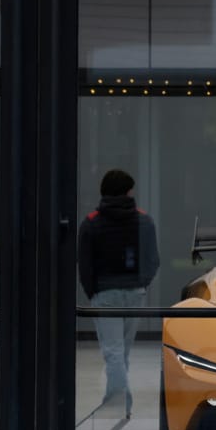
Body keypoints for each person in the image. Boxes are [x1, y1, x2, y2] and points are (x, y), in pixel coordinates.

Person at [78, 168, 159, 417]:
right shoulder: (144, 220)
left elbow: (84, 263)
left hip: (105, 293)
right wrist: (142, 283)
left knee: (113, 351)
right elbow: (152, 259)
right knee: (122, 352)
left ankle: (118, 403)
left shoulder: (91, 223)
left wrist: (92, 292)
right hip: (135, 292)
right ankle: (116, 400)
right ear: (127, 192)